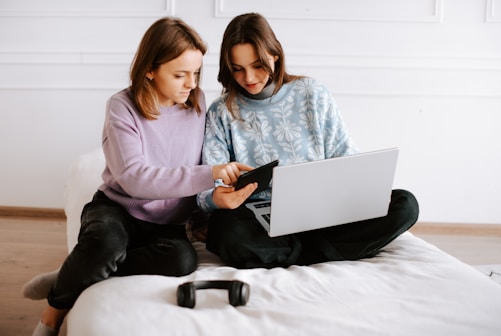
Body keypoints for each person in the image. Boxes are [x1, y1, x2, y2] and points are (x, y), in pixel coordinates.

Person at [23, 17, 253, 336]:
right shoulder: (121, 107)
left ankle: (76, 269)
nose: (191, 83)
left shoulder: (198, 102)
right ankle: (52, 314)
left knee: (181, 261)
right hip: (118, 209)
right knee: (105, 243)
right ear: (150, 69)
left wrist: (210, 204)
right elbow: (135, 179)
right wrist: (210, 174)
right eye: (180, 74)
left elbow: (200, 158)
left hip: (167, 225)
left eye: (196, 72)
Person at [197, 13, 420, 269]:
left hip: (324, 213)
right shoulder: (221, 111)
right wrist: (216, 198)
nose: (249, 78)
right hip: (261, 219)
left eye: (258, 65)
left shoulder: (312, 93)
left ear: (275, 55)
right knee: (224, 232)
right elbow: (206, 189)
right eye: (238, 69)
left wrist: (361, 188)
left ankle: (290, 254)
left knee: (404, 204)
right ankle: (326, 251)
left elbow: (344, 154)